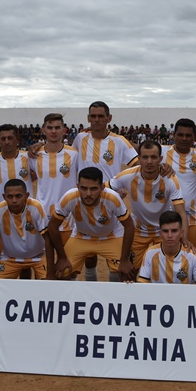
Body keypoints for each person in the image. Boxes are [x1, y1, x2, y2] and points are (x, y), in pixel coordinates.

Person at [72, 101, 140, 281]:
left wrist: (121, 185)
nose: (96, 120)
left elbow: (137, 166)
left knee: (116, 261)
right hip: (84, 201)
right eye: (93, 116)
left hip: (111, 202)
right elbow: (67, 155)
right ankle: (91, 288)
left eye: (100, 116)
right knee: (89, 255)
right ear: (88, 118)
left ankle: (112, 298)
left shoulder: (119, 141)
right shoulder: (80, 139)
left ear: (109, 118)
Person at [110, 140, 188, 270]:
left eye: (153, 157)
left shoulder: (170, 179)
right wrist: (115, 196)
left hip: (163, 231)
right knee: (133, 270)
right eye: (145, 157)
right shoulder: (128, 175)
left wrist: (184, 239)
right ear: (139, 158)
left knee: (167, 270)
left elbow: (181, 213)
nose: (149, 161)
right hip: (139, 231)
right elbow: (105, 188)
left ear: (161, 159)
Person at [47, 167, 136, 282]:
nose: (88, 194)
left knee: (125, 273)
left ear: (102, 187)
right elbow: (52, 226)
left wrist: (124, 260)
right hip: (81, 236)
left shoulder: (112, 198)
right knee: (62, 272)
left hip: (111, 236)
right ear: (78, 186)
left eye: (93, 189)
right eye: (84, 188)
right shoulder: (69, 198)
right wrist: (62, 257)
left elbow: (129, 226)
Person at [0, 179, 50, 280]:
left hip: (39, 257)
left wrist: (51, 272)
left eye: (18, 196)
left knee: (49, 284)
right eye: (10, 196)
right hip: (10, 259)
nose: (14, 200)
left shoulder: (36, 207)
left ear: (27, 195)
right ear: (4, 197)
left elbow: (47, 237)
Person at [34, 113, 80, 247]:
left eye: (57, 127)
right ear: (43, 130)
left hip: (67, 216)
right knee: (43, 261)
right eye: (49, 128)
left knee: (66, 262)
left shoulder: (74, 154)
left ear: (64, 130)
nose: (53, 131)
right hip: (42, 215)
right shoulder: (34, 155)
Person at [161, 118, 196, 252]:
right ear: (173, 135)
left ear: (194, 138)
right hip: (167, 216)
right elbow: (137, 150)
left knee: (192, 256)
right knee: (167, 257)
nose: (184, 138)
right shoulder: (162, 153)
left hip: (193, 218)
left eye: (188, 135)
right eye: (180, 135)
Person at [137, 211, 196, 285]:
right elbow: (141, 284)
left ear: (181, 233)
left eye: (174, 231)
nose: (170, 235)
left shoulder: (191, 256)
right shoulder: (150, 254)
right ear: (160, 233)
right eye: (165, 231)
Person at [0, 124, 37, 202]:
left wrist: (41, 144)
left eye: (10, 138)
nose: (6, 142)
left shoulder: (28, 157)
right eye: (3, 139)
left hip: (27, 210)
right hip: (3, 210)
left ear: (17, 139)